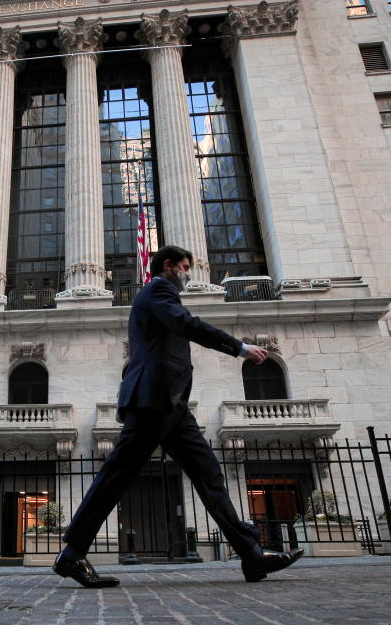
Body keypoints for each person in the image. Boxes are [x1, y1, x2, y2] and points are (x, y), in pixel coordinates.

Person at [53, 245, 304, 588]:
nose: (188, 273)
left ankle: (251, 555)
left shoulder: (161, 295)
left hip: (172, 405)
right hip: (154, 400)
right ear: (168, 266)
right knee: (118, 474)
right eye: (185, 267)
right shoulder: (158, 290)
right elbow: (185, 323)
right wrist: (239, 347)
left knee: (209, 475)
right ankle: (72, 554)